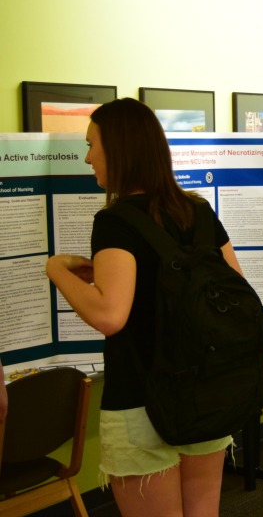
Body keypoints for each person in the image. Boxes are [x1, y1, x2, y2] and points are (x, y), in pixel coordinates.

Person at [46, 98, 233, 517]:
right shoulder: (198, 211)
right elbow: (234, 287)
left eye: (92, 144)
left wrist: (57, 270)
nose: (88, 156)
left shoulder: (116, 221)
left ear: (121, 149)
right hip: (205, 389)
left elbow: (110, 316)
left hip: (140, 396)